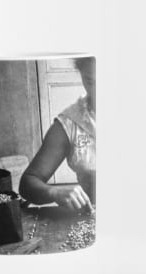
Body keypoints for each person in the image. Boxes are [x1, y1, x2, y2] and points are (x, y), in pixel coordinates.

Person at [19, 57, 96, 212]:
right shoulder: (71, 122)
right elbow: (28, 183)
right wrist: (54, 192)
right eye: (91, 81)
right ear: (81, 74)